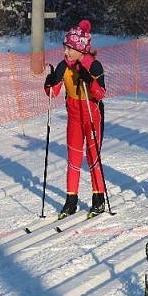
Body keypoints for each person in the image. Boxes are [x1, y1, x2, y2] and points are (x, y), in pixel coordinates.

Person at [44, 20, 107, 219]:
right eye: (65, 47)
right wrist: (50, 81)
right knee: (73, 159)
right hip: (74, 118)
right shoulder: (64, 66)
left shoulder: (94, 65)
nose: (66, 52)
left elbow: (100, 93)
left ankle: (98, 199)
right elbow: (53, 93)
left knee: (93, 158)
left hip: (92, 116)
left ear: (81, 49)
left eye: (70, 48)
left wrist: (90, 80)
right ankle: (71, 200)